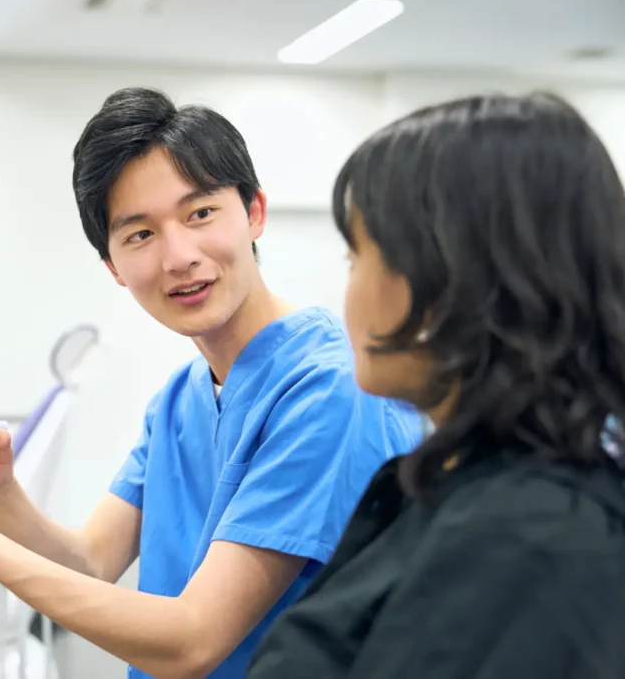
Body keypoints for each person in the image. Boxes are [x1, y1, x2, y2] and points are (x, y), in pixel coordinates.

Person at [0, 87, 423, 678]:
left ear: (254, 212)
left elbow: (193, 642)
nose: (178, 255)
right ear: (112, 266)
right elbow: (90, 562)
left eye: (201, 213)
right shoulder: (180, 400)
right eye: (140, 234)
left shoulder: (330, 390)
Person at [247, 92, 625, 678]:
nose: (347, 294)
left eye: (357, 259)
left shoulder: (533, 537)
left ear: (451, 279)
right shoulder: (455, 481)